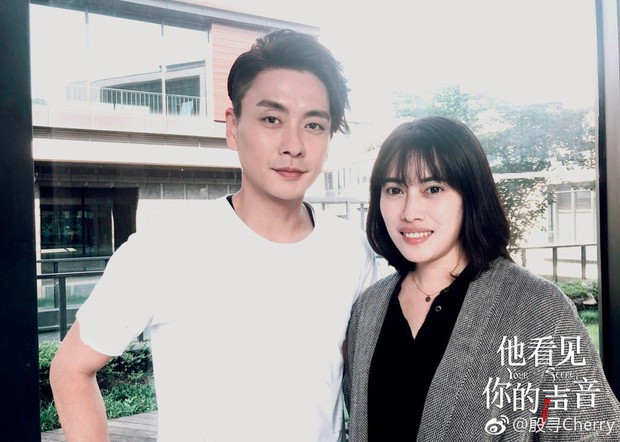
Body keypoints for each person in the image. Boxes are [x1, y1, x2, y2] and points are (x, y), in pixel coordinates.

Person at [50, 29, 376, 442]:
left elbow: (356, 382)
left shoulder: (350, 250)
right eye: (271, 119)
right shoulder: (166, 248)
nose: (293, 145)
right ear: (232, 127)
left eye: (313, 124)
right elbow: (71, 369)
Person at [344, 116, 620, 441]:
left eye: (433, 189)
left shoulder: (538, 308)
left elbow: (596, 431)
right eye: (394, 190)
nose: (409, 211)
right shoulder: (369, 307)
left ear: (470, 195)